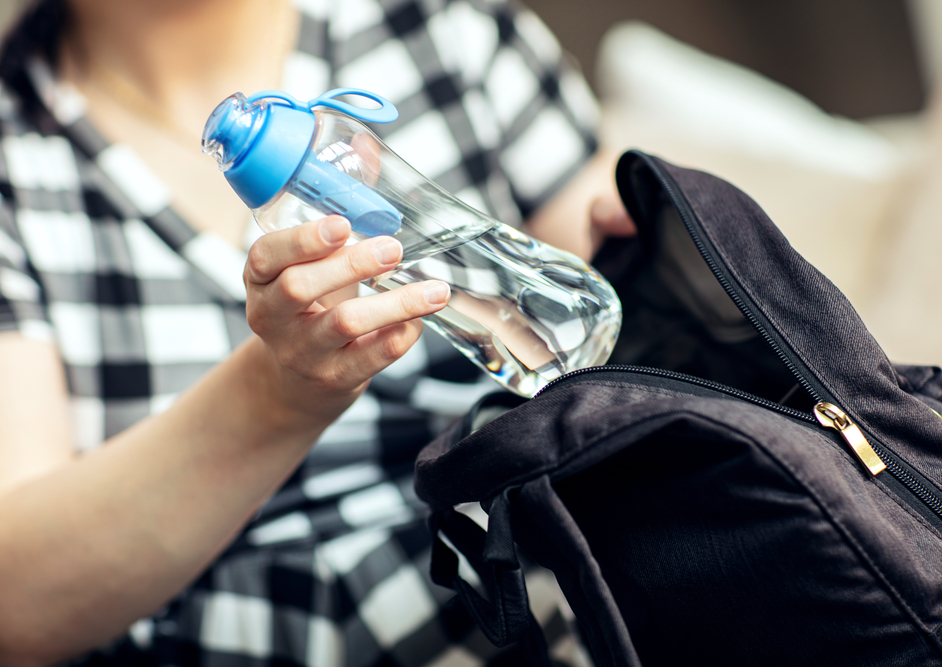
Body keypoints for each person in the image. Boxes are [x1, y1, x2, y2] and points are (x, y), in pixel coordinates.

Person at [0, 0, 634, 664]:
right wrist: (277, 397)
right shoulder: (18, 170)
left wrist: (667, 244)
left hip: (521, 605)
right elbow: (16, 604)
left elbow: (598, 312)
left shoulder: (438, 27)